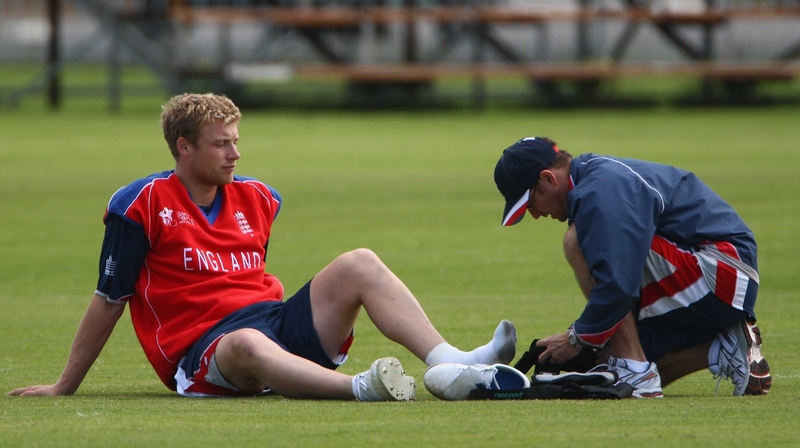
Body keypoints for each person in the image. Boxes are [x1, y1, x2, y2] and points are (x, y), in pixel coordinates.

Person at [8, 93, 517, 401]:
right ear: (183, 147)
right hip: (206, 350)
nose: (235, 153)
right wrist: (64, 385)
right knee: (247, 343)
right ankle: (362, 388)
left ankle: (453, 362)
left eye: (236, 140)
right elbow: (109, 298)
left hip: (274, 323)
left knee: (359, 262)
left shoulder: (258, 197)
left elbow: (250, 279)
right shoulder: (139, 204)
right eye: (221, 144)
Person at [492, 136, 771, 398]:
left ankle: (635, 367)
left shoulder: (601, 190)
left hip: (724, 271)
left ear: (548, 178)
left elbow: (619, 285)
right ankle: (721, 348)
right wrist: (592, 337)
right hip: (721, 275)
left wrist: (576, 338)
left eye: (530, 203)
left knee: (575, 240)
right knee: (605, 364)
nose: (535, 214)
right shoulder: (594, 180)